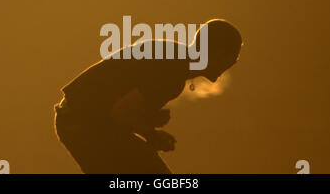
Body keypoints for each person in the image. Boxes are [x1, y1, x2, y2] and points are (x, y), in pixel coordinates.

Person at [54, 19, 242, 173]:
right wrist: (152, 135)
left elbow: (118, 101)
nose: (233, 63)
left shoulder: (174, 56)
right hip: (81, 123)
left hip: (80, 118)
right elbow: (120, 113)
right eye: (233, 58)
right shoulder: (173, 72)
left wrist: (145, 120)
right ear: (218, 53)